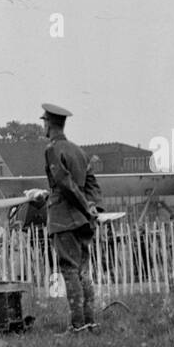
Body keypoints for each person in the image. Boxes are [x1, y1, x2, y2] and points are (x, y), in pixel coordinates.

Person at [42, 103, 102, 333]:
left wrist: (86, 206)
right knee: (83, 271)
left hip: (63, 219)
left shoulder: (51, 150)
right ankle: (90, 322)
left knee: (69, 270)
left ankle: (77, 325)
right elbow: (91, 184)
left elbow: (64, 184)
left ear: (48, 124)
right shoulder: (79, 151)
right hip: (82, 220)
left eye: (44, 123)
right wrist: (93, 208)